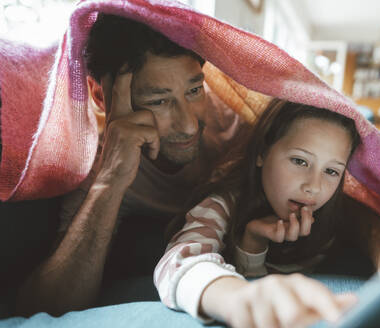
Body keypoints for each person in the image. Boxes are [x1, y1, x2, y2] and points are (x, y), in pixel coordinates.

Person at [14, 14, 246, 316]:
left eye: (194, 91)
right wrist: (110, 181)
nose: (189, 125)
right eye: (158, 101)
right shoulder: (97, 162)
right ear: (101, 96)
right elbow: (46, 306)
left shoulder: (232, 121)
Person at [154, 99, 380, 327]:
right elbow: (179, 262)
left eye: (331, 171)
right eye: (300, 161)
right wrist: (238, 294)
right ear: (262, 153)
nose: (313, 187)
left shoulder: (335, 209)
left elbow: (366, 226)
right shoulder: (223, 203)